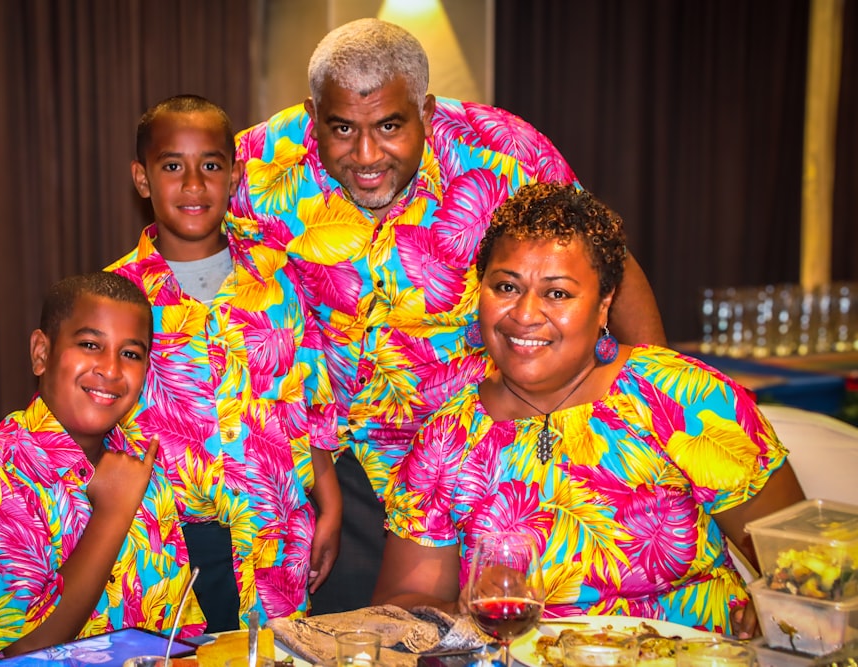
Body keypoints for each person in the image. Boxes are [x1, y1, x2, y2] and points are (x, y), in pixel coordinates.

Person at [228, 17, 667, 613]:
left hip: (477, 456)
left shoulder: (503, 154)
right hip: (340, 459)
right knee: (365, 637)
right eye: (340, 129)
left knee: (497, 626)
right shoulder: (256, 169)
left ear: (426, 111)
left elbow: (606, 262)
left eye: (388, 126)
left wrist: (657, 405)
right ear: (312, 114)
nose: (365, 156)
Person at [371, 182, 806, 636]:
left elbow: (801, 562)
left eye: (557, 293)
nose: (525, 314)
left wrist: (781, 598)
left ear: (604, 306)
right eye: (506, 286)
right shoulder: (449, 439)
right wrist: (459, 611)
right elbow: (399, 605)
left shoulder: (681, 398)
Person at [105, 94, 341, 630]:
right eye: (172, 166)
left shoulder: (277, 276)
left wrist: (329, 506)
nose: (194, 185)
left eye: (210, 165)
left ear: (233, 176)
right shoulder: (117, 296)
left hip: (275, 532)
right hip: (167, 541)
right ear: (142, 179)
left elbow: (309, 397)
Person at [0, 272, 204, 666]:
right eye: (89, 345)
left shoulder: (139, 466)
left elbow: (175, 636)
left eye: (131, 354)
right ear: (41, 353)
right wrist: (113, 513)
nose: (111, 369)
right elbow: (22, 653)